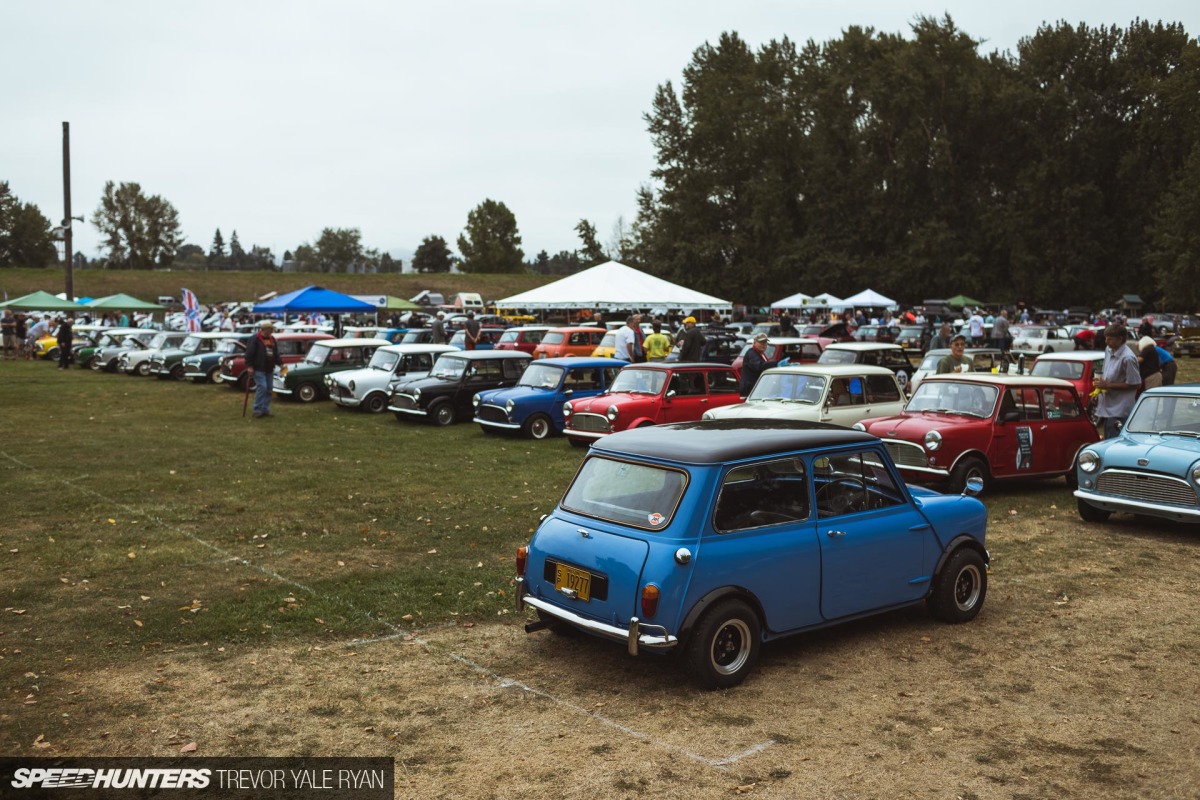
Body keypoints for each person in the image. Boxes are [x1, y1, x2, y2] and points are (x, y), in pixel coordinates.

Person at [1094, 324, 1142, 439]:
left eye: (1110, 339)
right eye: (1106, 338)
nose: (1106, 341)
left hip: (1120, 411)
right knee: (1107, 442)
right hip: (1108, 408)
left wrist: (1108, 385)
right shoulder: (1109, 350)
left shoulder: (1128, 358)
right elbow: (1108, 376)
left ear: (1120, 339)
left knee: (1115, 444)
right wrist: (1099, 391)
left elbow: (1136, 384)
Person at [244, 319, 284, 419]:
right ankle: (257, 409)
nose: (271, 332)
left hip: (269, 368)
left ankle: (265, 410)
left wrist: (281, 364)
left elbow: (275, 354)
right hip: (258, 368)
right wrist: (249, 366)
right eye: (270, 330)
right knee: (262, 387)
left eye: (272, 330)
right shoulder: (255, 339)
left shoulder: (272, 339)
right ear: (264, 330)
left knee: (269, 389)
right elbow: (249, 353)